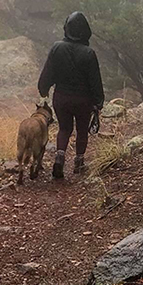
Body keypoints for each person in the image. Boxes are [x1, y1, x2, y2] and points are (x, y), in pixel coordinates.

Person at [37, 11, 105, 179]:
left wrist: (43, 89)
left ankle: (59, 157)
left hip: (61, 98)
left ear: (66, 28)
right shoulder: (89, 53)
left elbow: (47, 74)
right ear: (85, 30)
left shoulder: (56, 47)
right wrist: (98, 103)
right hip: (83, 100)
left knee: (64, 128)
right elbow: (95, 81)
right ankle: (79, 163)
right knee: (82, 131)